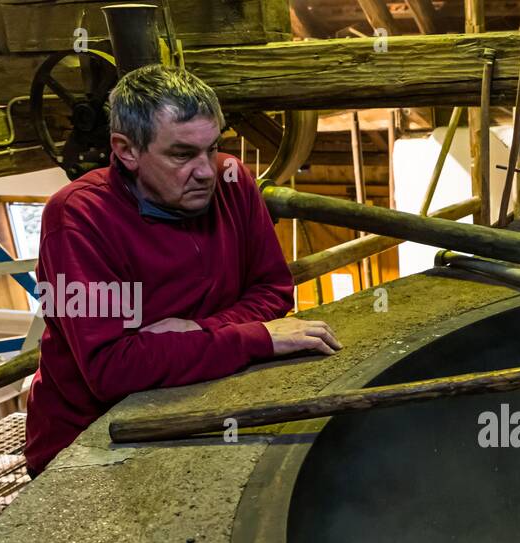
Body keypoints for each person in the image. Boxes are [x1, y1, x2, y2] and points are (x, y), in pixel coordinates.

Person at [23, 65, 341, 475]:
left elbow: (272, 290)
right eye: (182, 154)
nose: (207, 169)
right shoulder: (78, 218)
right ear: (126, 150)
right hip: (88, 445)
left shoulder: (232, 180)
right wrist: (253, 338)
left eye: (212, 147)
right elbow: (112, 369)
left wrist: (198, 332)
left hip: (198, 404)